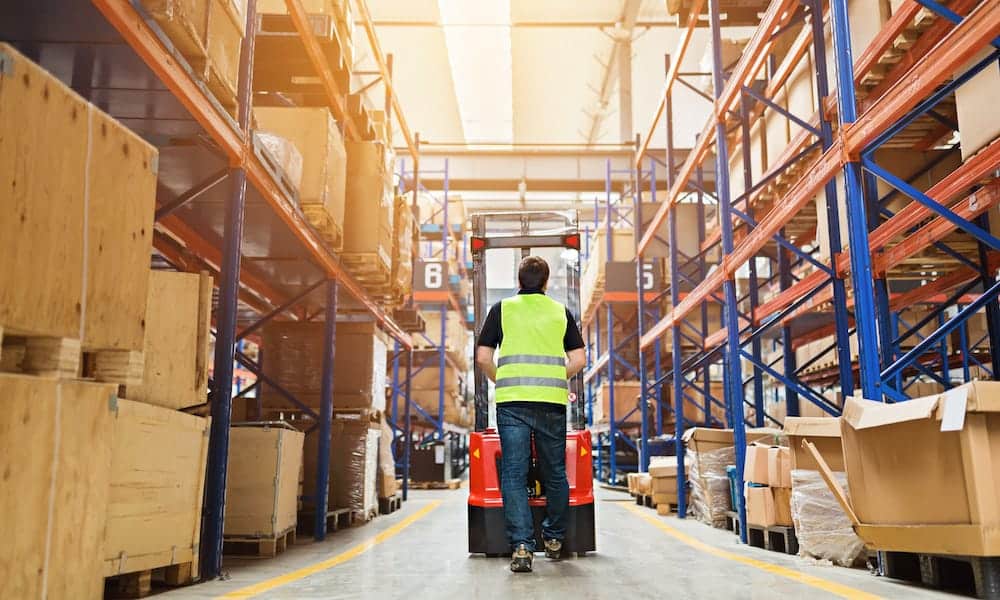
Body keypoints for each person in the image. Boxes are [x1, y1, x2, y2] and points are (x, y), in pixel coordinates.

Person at [475, 256, 587, 573]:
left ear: (519, 280)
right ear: (546, 282)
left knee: (513, 473)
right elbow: (578, 358)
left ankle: (522, 547)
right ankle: (553, 539)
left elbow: (483, 356)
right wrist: (554, 376)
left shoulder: (502, 309)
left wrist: (503, 378)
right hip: (551, 401)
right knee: (554, 472)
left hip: (512, 403)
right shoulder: (559, 311)